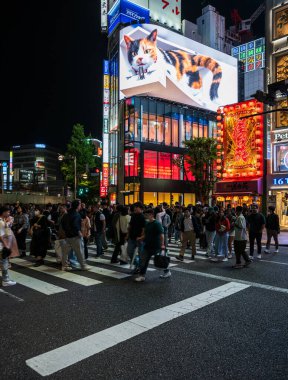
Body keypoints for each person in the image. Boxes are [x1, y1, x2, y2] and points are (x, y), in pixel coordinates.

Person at [135, 208, 171, 282]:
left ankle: (167, 271)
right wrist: (140, 238)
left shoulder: (156, 224)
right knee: (143, 260)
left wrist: (162, 245)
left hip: (156, 246)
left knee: (160, 260)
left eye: (147, 215)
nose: (145, 216)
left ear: (151, 215)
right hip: (147, 245)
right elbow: (146, 234)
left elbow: (161, 235)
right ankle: (142, 275)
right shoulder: (147, 223)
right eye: (145, 215)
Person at [60, 200, 91, 271]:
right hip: (75, 236)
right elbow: (75, 225)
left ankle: (64, 266)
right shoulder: (76, 214)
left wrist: (65, 231)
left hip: (67, 236)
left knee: (65, 252)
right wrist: (79, 232)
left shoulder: (66, 214)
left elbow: (63, 223)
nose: (80, 206)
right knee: (80, 252)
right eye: (80, 205)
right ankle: (83, 266)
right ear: (77, 206)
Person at [0, 206, 18, 286]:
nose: (9, 213)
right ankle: (5, 280)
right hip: (1, 245)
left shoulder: (3, 220)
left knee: (4, 262)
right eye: (8, 212)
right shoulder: (1, 222)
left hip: (2, 245)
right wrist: (6, 245)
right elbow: (1, 235)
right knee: (4, 262)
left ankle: (6, 279)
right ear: (3, 212)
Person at [127, 202, 146, 270]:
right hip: (132, 237)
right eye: (134, 207)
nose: (135, 208)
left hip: (140, 239)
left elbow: (144, 229)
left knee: (141, 254)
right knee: (129, 251)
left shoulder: (143, 217)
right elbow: (130, 225)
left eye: (136, 207)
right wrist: (128, 235)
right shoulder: (133, 215)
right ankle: (136, 263)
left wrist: (141, 237)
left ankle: (140, 269)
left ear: (140, 208)